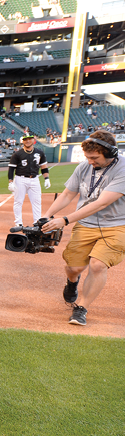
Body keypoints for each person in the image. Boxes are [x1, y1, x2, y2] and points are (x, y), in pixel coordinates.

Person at [40, 130, 125, 326]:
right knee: (74, 267)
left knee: (97, 265)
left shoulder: (122, 169)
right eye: (87, 157)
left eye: (94, 158)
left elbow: (101, 203)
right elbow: (68, 194)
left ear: (110, 153)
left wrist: (65, 219)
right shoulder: (83, 167)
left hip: (116, 225)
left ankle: (81, 308)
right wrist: (46, 215)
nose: (90, 162)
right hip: (86, 225)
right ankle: (72, 282)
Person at [8, 134, 49, 227]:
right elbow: (11, 169)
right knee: (18, 201)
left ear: (33, 140)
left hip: (34, 179)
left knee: (37, 201)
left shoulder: (39, 152)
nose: (27, 141)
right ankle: (18, 223)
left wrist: (46, 178)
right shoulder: (17, 154)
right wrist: (11, 181)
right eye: (25, 139)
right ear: (22, 141)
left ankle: (37, 222)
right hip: (20, 179)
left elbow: (44, 167)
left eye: (29, 139)